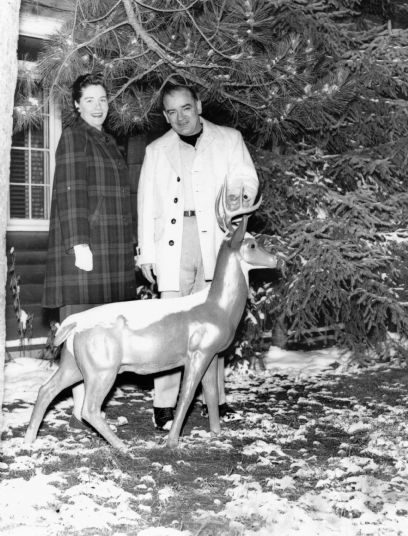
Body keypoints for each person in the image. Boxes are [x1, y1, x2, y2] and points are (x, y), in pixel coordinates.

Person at [137, 79, 259, 430]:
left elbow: (245, 178)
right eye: (172, 112)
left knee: (212, 324)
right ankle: (164, 404)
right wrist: (147, 253)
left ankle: (214, 400)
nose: (180, 118)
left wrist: (240, 195)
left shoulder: (228, 139)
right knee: (169, 329)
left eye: (186, 109)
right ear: (165, 116)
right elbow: (147, 205)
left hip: (215, 241)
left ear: (199, 106)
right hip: (172, 244)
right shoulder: (156, 150)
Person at [42, 73, 136, 431]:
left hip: (111, 252)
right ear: (77, 104)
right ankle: (82, 410)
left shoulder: (108, 141)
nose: (98, 106)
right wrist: (79, 243)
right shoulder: (74, 137)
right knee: (83, 334)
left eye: (103, 99)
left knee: (101, 334)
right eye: (90, 100)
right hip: (87, 251)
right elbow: (70, 192)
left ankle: (90, 407)